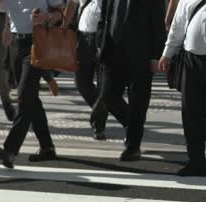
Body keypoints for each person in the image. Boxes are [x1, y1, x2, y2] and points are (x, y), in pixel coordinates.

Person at [0, 0, 64, 169]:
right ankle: (47, 147)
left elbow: (60, 12)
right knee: (31, 99)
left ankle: (10, 150)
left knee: (24, 97)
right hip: (15, 43)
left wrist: (47, 16)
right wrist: (6, 26)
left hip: (37, 42)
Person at [97, 0, 166, 161]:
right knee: (108, 96)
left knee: (138, 101)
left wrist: (156, 56)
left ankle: (133, 146)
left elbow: (157, 22)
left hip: (141, 54)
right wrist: (100, 43)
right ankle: (133, 128)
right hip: (113, 51)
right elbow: (104, 16)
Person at [159, 0, 206, 176]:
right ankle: (196, 161)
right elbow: (177, 26)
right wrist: (167, 54)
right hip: (191, 60)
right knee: (191, 112)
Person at [65, 0, 109, 140]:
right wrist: (64, 26)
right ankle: (102, 112)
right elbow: (72, 3)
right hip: (83, 38)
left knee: (104, 86)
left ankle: (99, 125)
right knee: (81, 83)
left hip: (104, 39)